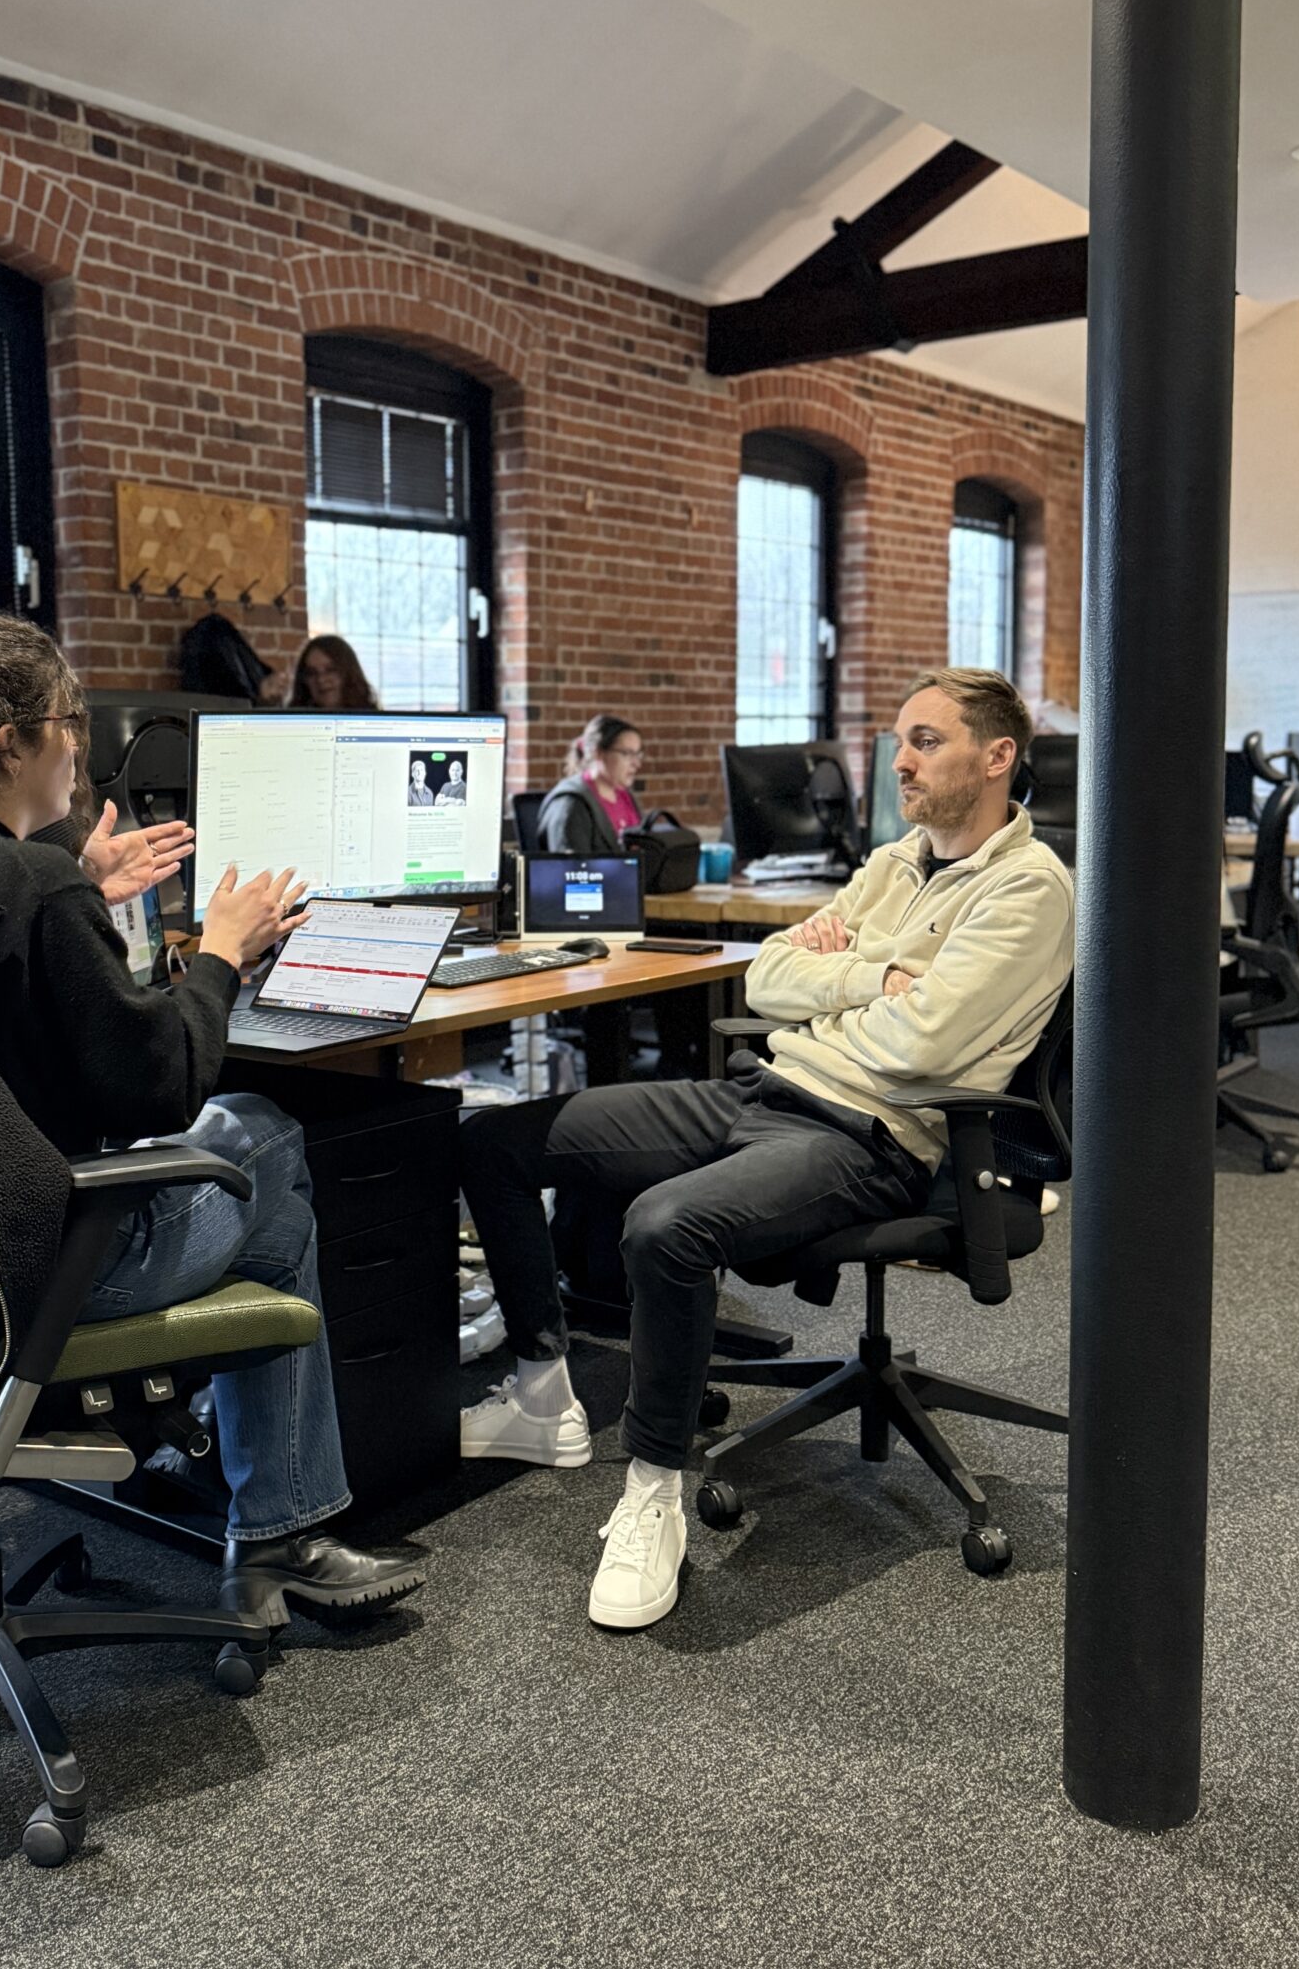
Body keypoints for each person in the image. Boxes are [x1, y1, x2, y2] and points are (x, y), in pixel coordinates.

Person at [0, 593, 425, 1625]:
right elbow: (163, 1084)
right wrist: (224, 948)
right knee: (262, 1137)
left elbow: (7, 1008)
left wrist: (84, 888)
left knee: (273, 1215)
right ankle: (280, 1528)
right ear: (15, 741)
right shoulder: (34, 885)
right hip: (40, 1273)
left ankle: (263, 1508)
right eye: (70, 722)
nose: (80, 746)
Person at [456, 668, 1074, 1632]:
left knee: (663, 1225)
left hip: (871, 1135)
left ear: (997, 758)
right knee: (494, 1141)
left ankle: (652, 1490)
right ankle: (542, 1387)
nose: (900, 763)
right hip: (764, 1087)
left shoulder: (1030, 890)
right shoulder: (896, 862)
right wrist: (875, 976)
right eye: (901, 742)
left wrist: (835, 980)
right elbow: (772, 971)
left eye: (926, 742)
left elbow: (932, 1046)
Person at [536, 715, 644, 855]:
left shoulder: (626, 797)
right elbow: (571, 870)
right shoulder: (571, 804)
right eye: (626, 754)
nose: (636, 764)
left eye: (638, 754)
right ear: (598, 753)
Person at [289, 633, 378, 712]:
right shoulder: (292, 723)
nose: (321, 679)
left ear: (349, 673)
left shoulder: (373, 721)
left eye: (330, 670)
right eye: (312, 673)